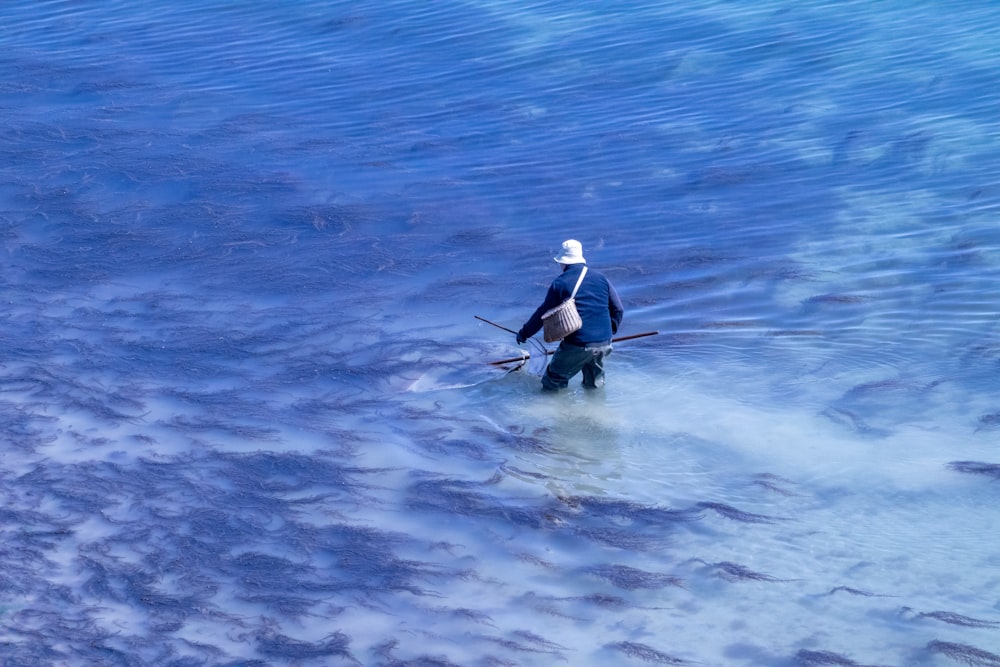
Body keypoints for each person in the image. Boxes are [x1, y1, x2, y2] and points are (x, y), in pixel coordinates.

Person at [516, 239, 624, 391]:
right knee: (594, 384)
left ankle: (553, 413)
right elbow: (618, 309)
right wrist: (609, 332)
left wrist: (524, 333)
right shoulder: (601, 278)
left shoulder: (560, 283)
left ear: (563, 262)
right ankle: (596, 412)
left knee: (552, 381)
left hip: (578, 343)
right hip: (604, 343)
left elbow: (543, 313)